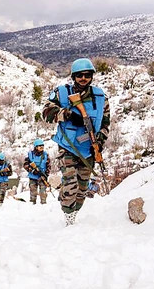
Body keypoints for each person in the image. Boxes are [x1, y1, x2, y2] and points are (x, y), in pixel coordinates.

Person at [42, 58, 110, 226]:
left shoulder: (100, 97)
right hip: (68, 147)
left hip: (89, 150)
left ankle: (75, 211)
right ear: (73, 76)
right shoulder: (62, 93)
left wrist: (99, 142)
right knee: (70, 183)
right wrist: (69, 114)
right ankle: (68, 216)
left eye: (87, 75)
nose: (83, 78)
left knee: (82, 187)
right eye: (79, 75)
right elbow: (46, 113)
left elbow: (105, 123)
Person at [23, 138, 50, 204]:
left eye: (42, 146)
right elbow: (25, 165)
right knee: (33, 193)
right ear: (36, 147)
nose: (41, 147)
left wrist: (46, 174)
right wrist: (32, 170)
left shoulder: (46, 155)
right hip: (33, 177)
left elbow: (48, 166)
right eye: (40, 146)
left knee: (43, 193)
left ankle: (44, 206)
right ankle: (32, 206)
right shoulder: (30, 155)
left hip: (42, 177)